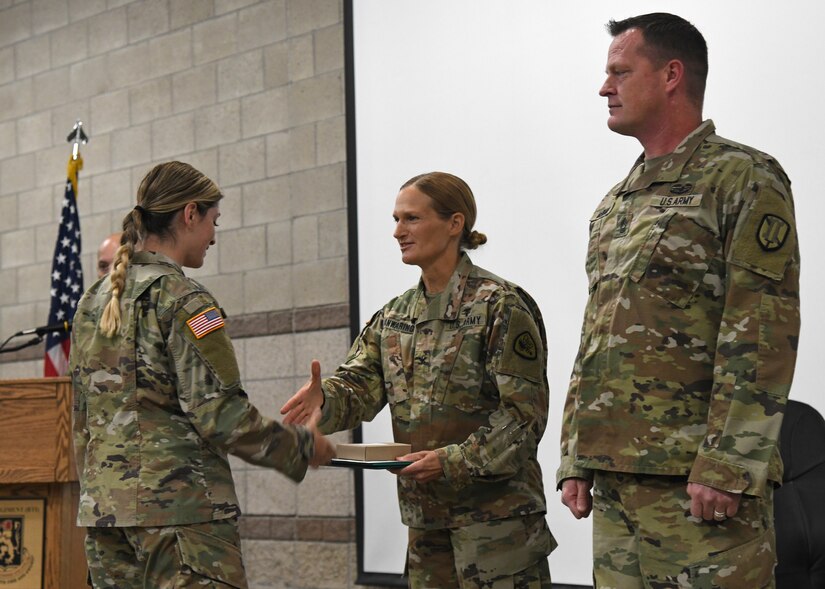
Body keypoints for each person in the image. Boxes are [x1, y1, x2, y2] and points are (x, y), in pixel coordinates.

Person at [557, 13, 801, 588]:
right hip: (616, 482)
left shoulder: (742, 177)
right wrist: (575, 454)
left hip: (698, 487)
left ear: (671, 75)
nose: (604, 87)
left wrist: (728, 465)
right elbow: (598, 334)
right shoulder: (616, 202)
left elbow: (760, 331)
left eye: (620, 71)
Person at [281, 171, 556, 588]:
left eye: (411, 218)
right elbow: (360, 386)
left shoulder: (500, 306)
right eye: (395, 219)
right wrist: (326, 401)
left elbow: (523, 418)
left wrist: (451, 462)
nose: (397, 232)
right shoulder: (393, 315)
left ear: (454, 223)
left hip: (498, 530)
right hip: (426, 529)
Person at [69, 161, 335, 588]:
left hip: (107, 519)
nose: (214, 235)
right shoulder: (184, 299)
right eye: (214, 220)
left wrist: (98, 494)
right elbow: (220, 415)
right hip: (181, 519)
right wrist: (303, 447)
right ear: (190, 214)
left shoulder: (93, 302)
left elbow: (80, 418)